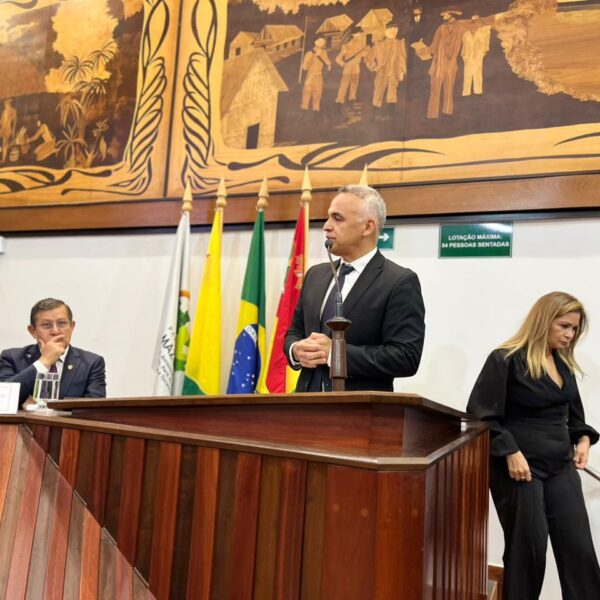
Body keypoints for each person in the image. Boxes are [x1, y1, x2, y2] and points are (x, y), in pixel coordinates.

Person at [467, 291, 600, 599]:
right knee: (528, 550)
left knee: (579, 549)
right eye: (564, 326)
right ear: (544, 320)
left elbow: (575, 418)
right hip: (520, 469)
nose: (570, 335)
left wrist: (583, 440)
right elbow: (480, 415)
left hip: (560, 466)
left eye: (574, 329)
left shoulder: (563, 365)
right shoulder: (505, 359)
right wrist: (510, 451)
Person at [284, 185, 425, 392]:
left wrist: (336, 354)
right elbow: (294, 332)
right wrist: (296, 350)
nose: (326, 226)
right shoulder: (315, 275)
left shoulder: (398, 281)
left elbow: (406, 356)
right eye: (328, 217)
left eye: (337, 218)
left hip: (360, 407)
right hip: (306, 403)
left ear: (367, 227)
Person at [0, 298, 106, 405]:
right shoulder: (11, 358)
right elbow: (3, 400)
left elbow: (94, 408)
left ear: (72, 327)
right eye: (46, 325)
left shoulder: (92, 363)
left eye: (62, 323)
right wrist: (43, 362)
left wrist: (32, 405)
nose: (55, 331)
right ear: (33, 331)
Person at [367, 23, 407, 110]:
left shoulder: (400, 43)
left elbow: (402, 58)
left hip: (394, 70)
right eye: (391, 30)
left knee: (392, 91)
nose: (393, 32)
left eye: (394, 30)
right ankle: (375, 111)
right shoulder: (379, 45)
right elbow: (369, 58)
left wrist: (402, 71)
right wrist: (374, 67)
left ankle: (391, 111)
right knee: (379, 90)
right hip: (382, 71)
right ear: (386, 31)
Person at [301, 37, 331, 112]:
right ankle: (304, 110)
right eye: (319, 41)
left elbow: (328, 62)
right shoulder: (309, 53)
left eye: (323, 41)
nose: (321, 43)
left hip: (319, 76)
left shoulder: (324, 52)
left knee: (318, 94)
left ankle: (316, 111)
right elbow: (304, 67)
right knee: (307, 93)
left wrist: (328, 64)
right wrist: (313, 57)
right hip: (310, 76)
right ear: (315, 42)